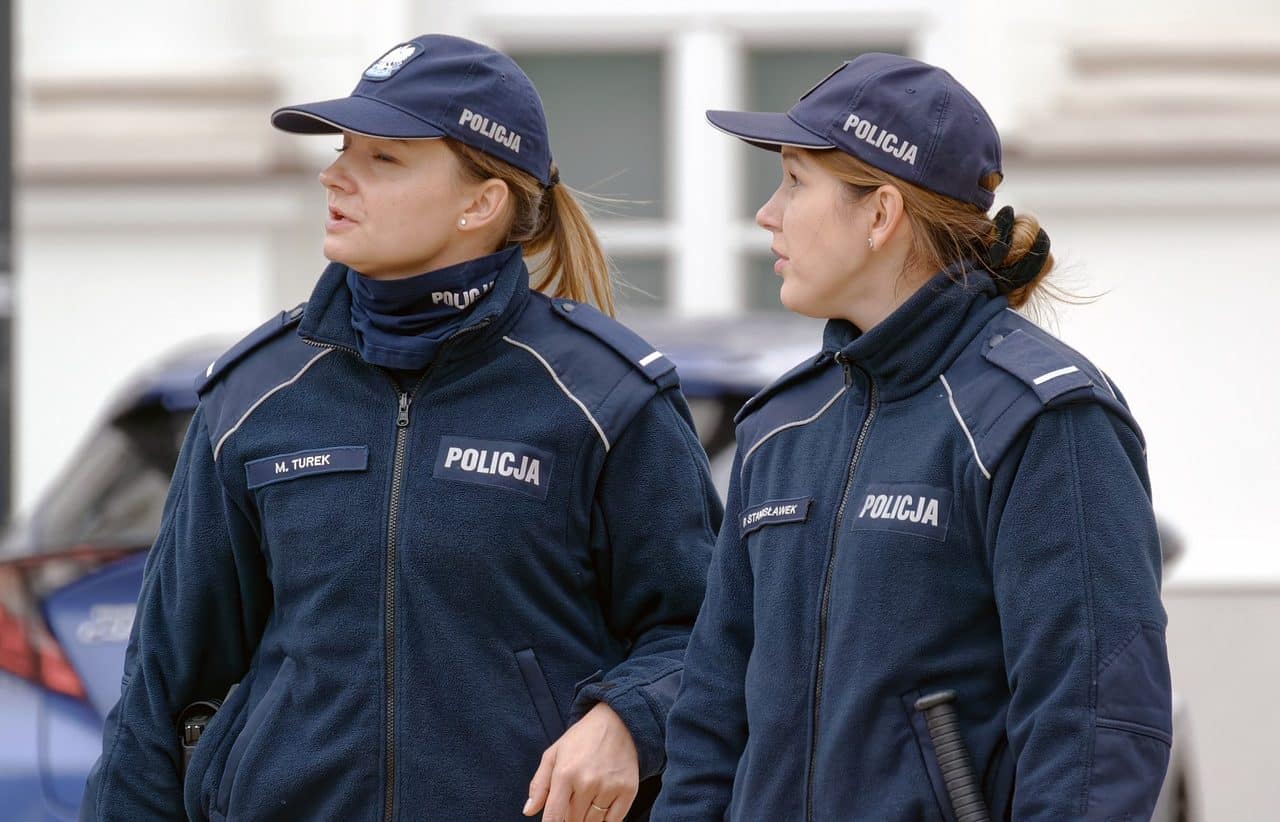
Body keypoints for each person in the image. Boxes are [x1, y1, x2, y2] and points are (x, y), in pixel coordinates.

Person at [80, 34, 721, 822]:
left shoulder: (603, 397)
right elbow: (162, 684)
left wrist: (627, 717)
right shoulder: (254, 395)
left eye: (384, 158)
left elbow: (709, 632)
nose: (334, 174)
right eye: (344, 148)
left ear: (480, 202)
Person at [653, 53, 1171, 821]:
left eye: (796, 181)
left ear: (880, 213)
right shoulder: (779, 427)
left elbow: (1096, 729)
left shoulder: (1040, 419)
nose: (768, 213)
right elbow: (709, 721)